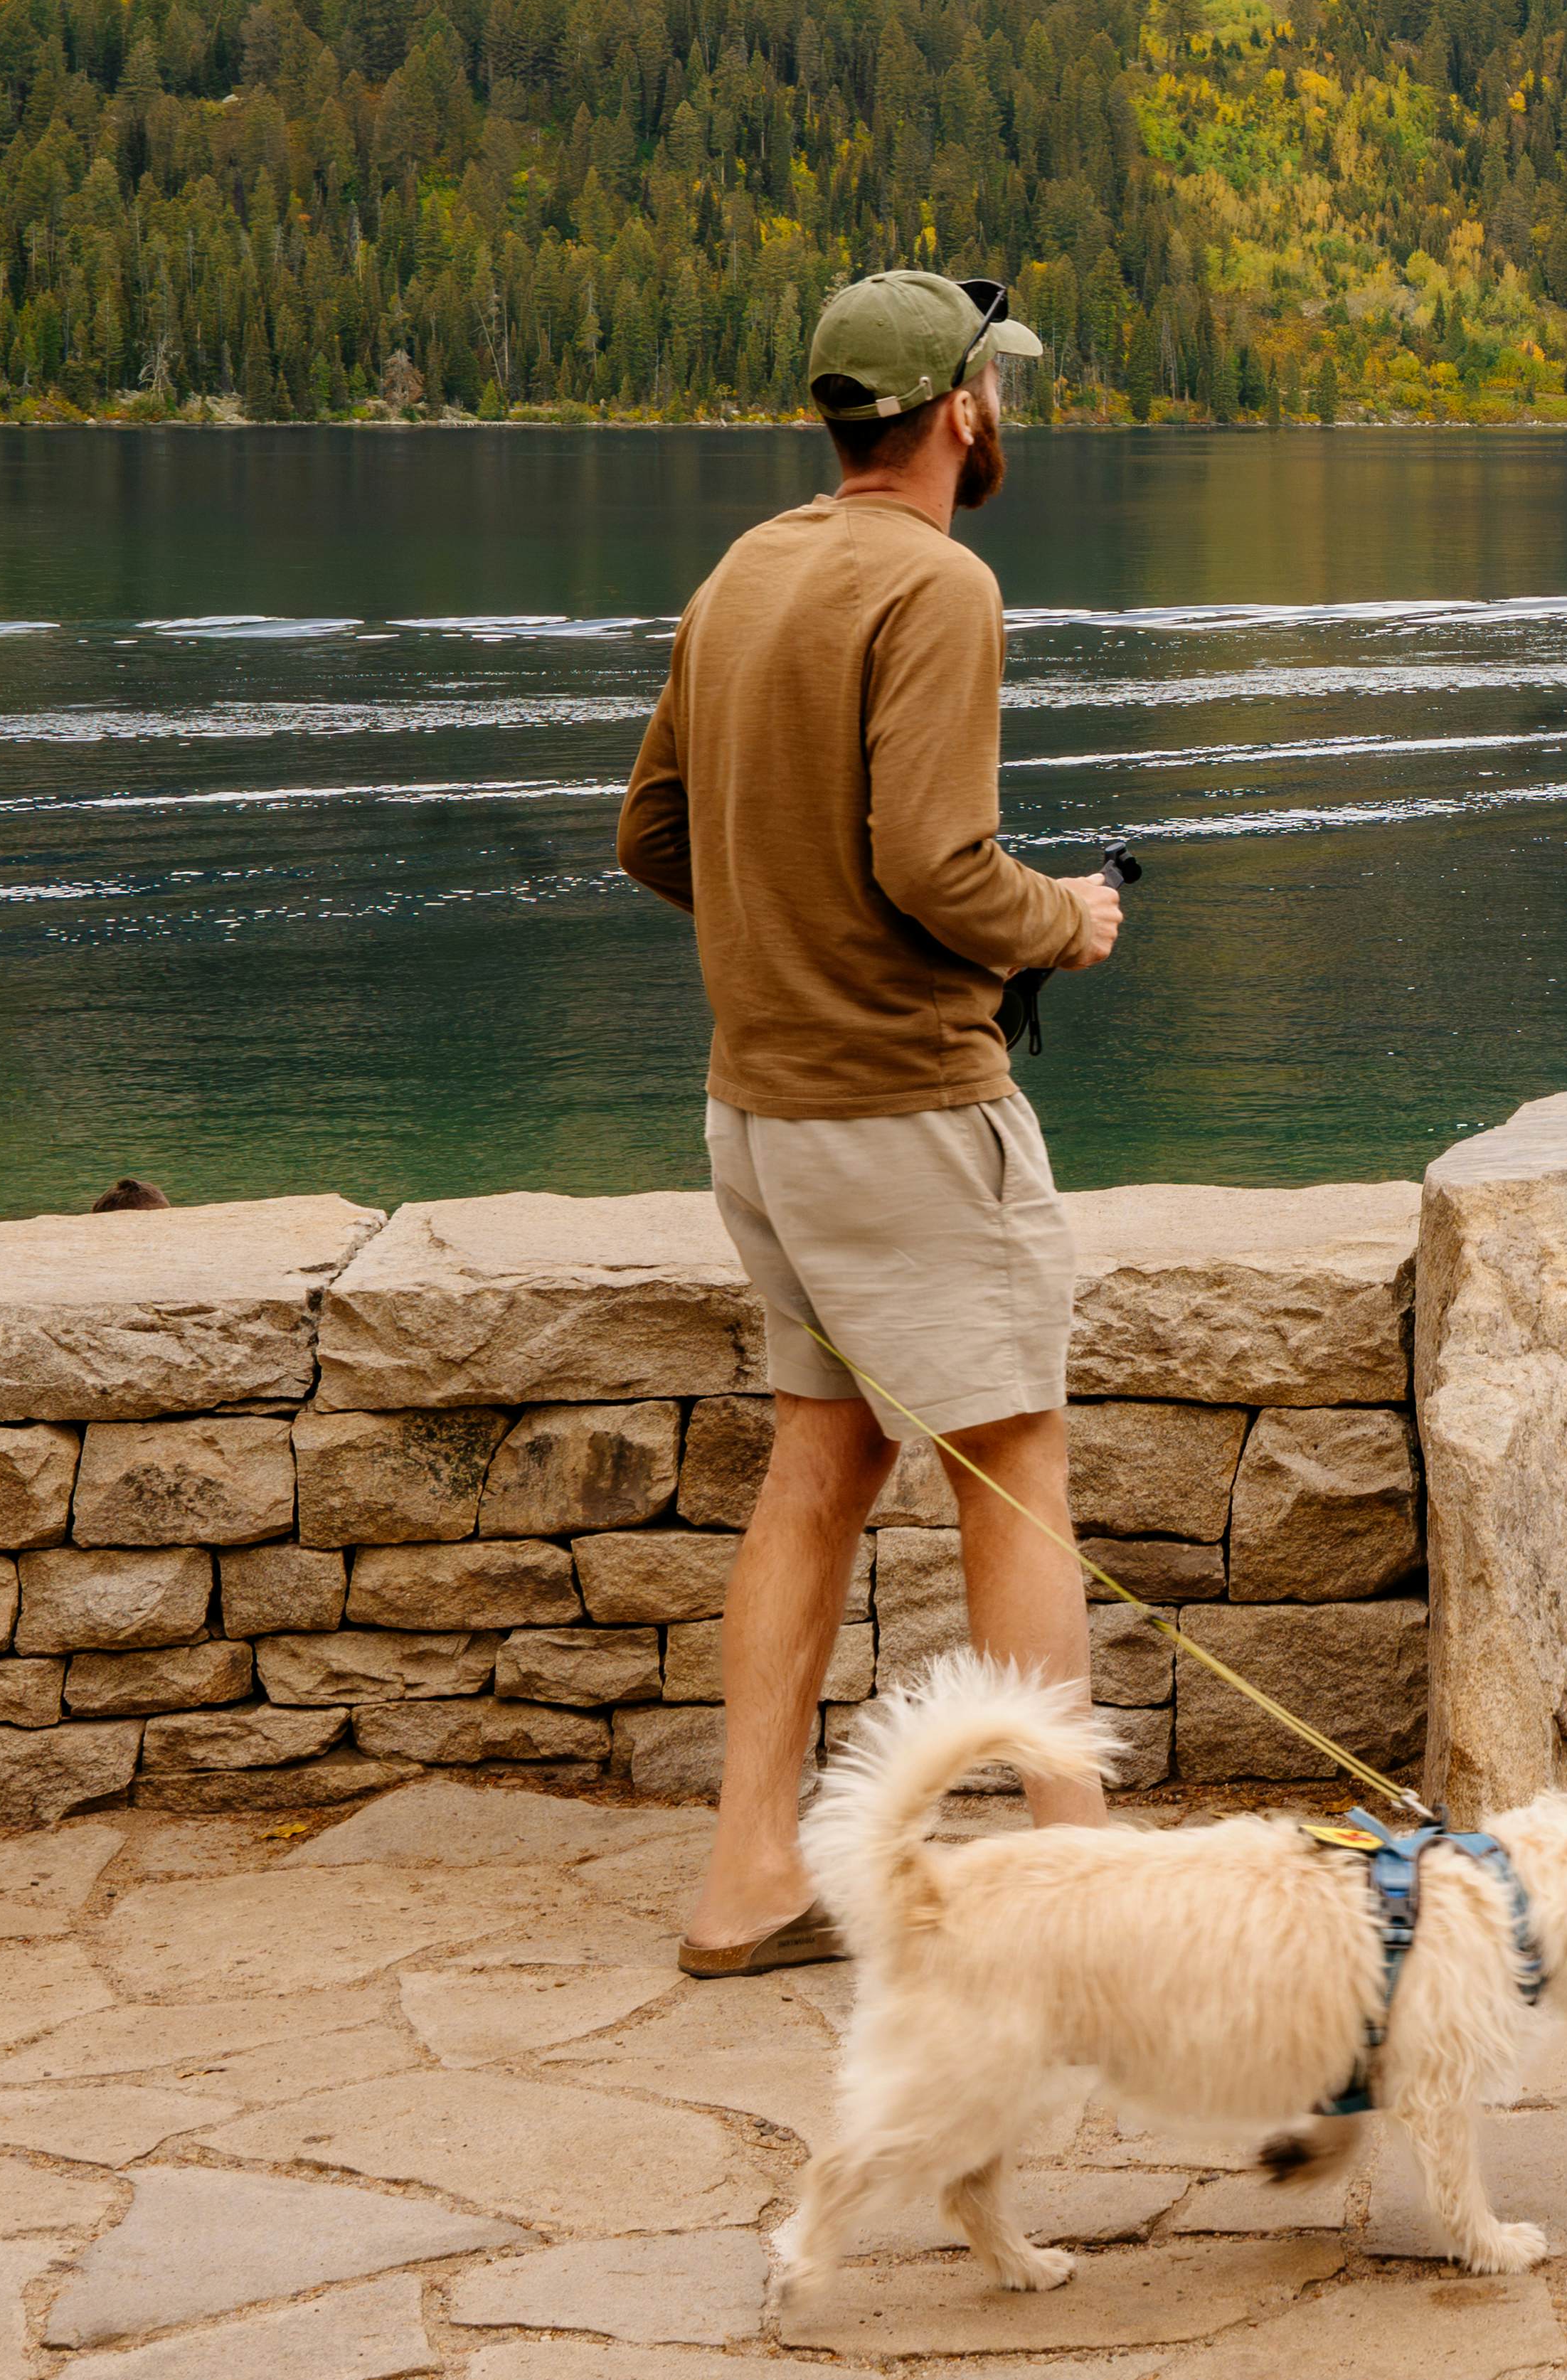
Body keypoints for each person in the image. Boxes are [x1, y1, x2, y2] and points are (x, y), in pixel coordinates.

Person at [615, 269, 1130, 1975]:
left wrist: (781, 942)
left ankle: (746, 1874)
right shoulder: (939, 581)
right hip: (905, 1104)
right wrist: (1065, 918)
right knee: (1017, 1463)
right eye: (1004, 392)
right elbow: (933, 862)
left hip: (755, 1106)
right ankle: (1079, 1900)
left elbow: (654, 837)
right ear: (960, 408)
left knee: (821, 1464)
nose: (1009, 417)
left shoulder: (742, 569)